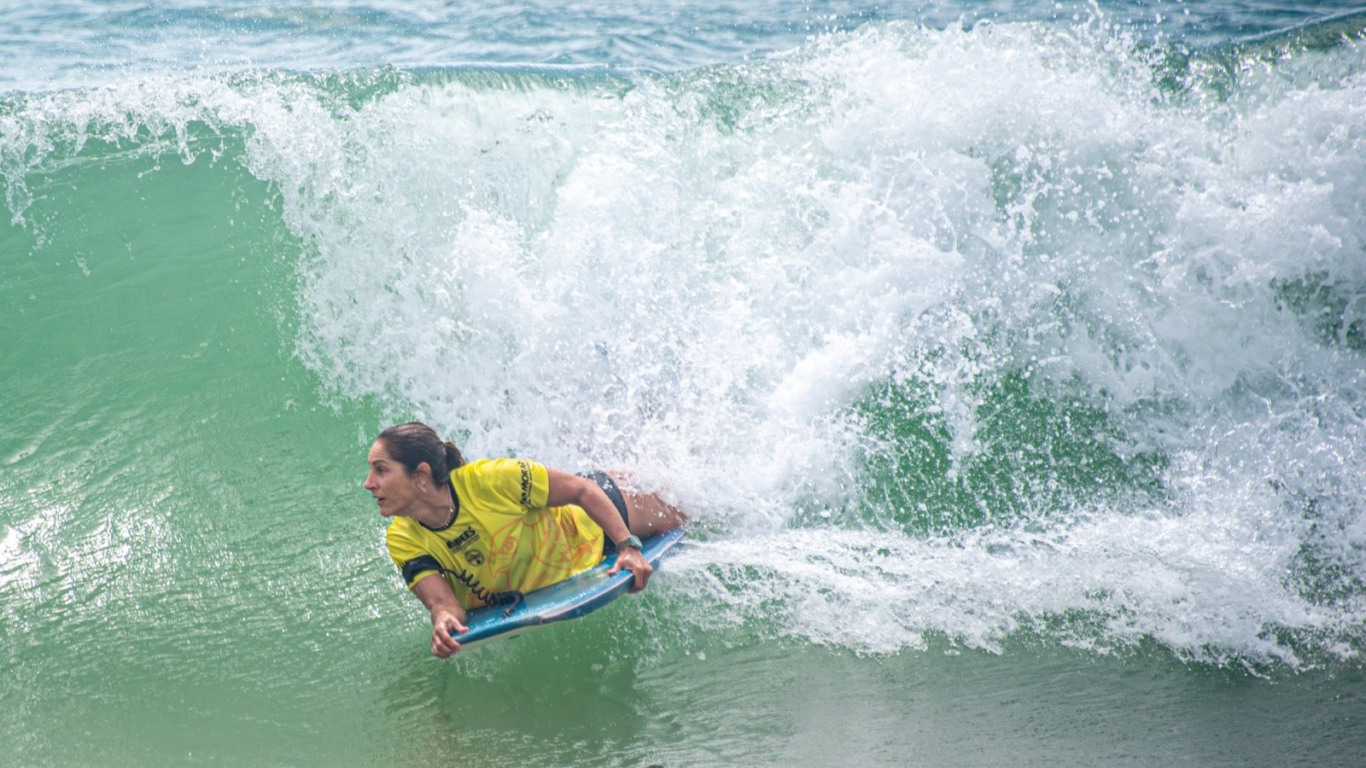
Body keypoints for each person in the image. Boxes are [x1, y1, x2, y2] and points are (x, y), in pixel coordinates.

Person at [363, 422, 686, 658]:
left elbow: (581, 491)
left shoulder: (490, 479)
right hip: (564, 558)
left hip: (597, 523)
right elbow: (443, 603)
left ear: (419, 475)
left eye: (381, 470)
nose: (369, 483)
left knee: (687, 510)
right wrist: (443, 621)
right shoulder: (402, 538)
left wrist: (628, 546)